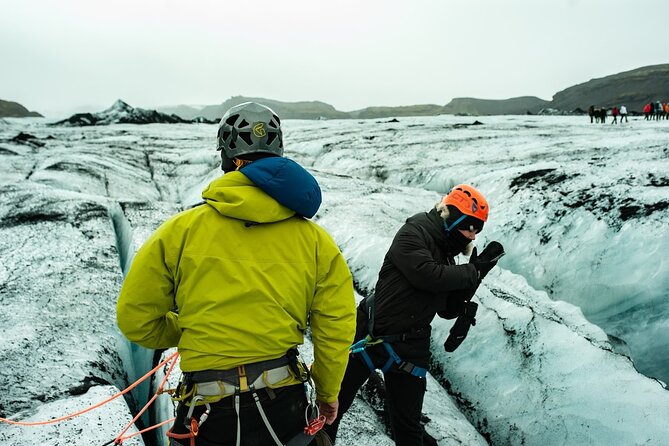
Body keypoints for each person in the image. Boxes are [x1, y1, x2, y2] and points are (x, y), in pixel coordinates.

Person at [116, 102, 356, 446]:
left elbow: (134, 318)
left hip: (207, 411)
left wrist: (192, 327)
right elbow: (336, 327)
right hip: (284, 407)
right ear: (278, 154)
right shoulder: (316, 241)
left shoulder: (179, 233)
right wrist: (328, 392)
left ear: (226, 158)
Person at [324, 184, 504, 445]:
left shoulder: (446, 254)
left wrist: (477, 275)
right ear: (453, 217)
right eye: (471, 226)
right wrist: (472, 272)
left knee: (407, 428)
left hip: (410, 345)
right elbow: (427, 275)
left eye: (479, 230)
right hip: (370, 332)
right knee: (333, 410)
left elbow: (446, 310)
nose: (473, 236)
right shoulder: (414, 232)